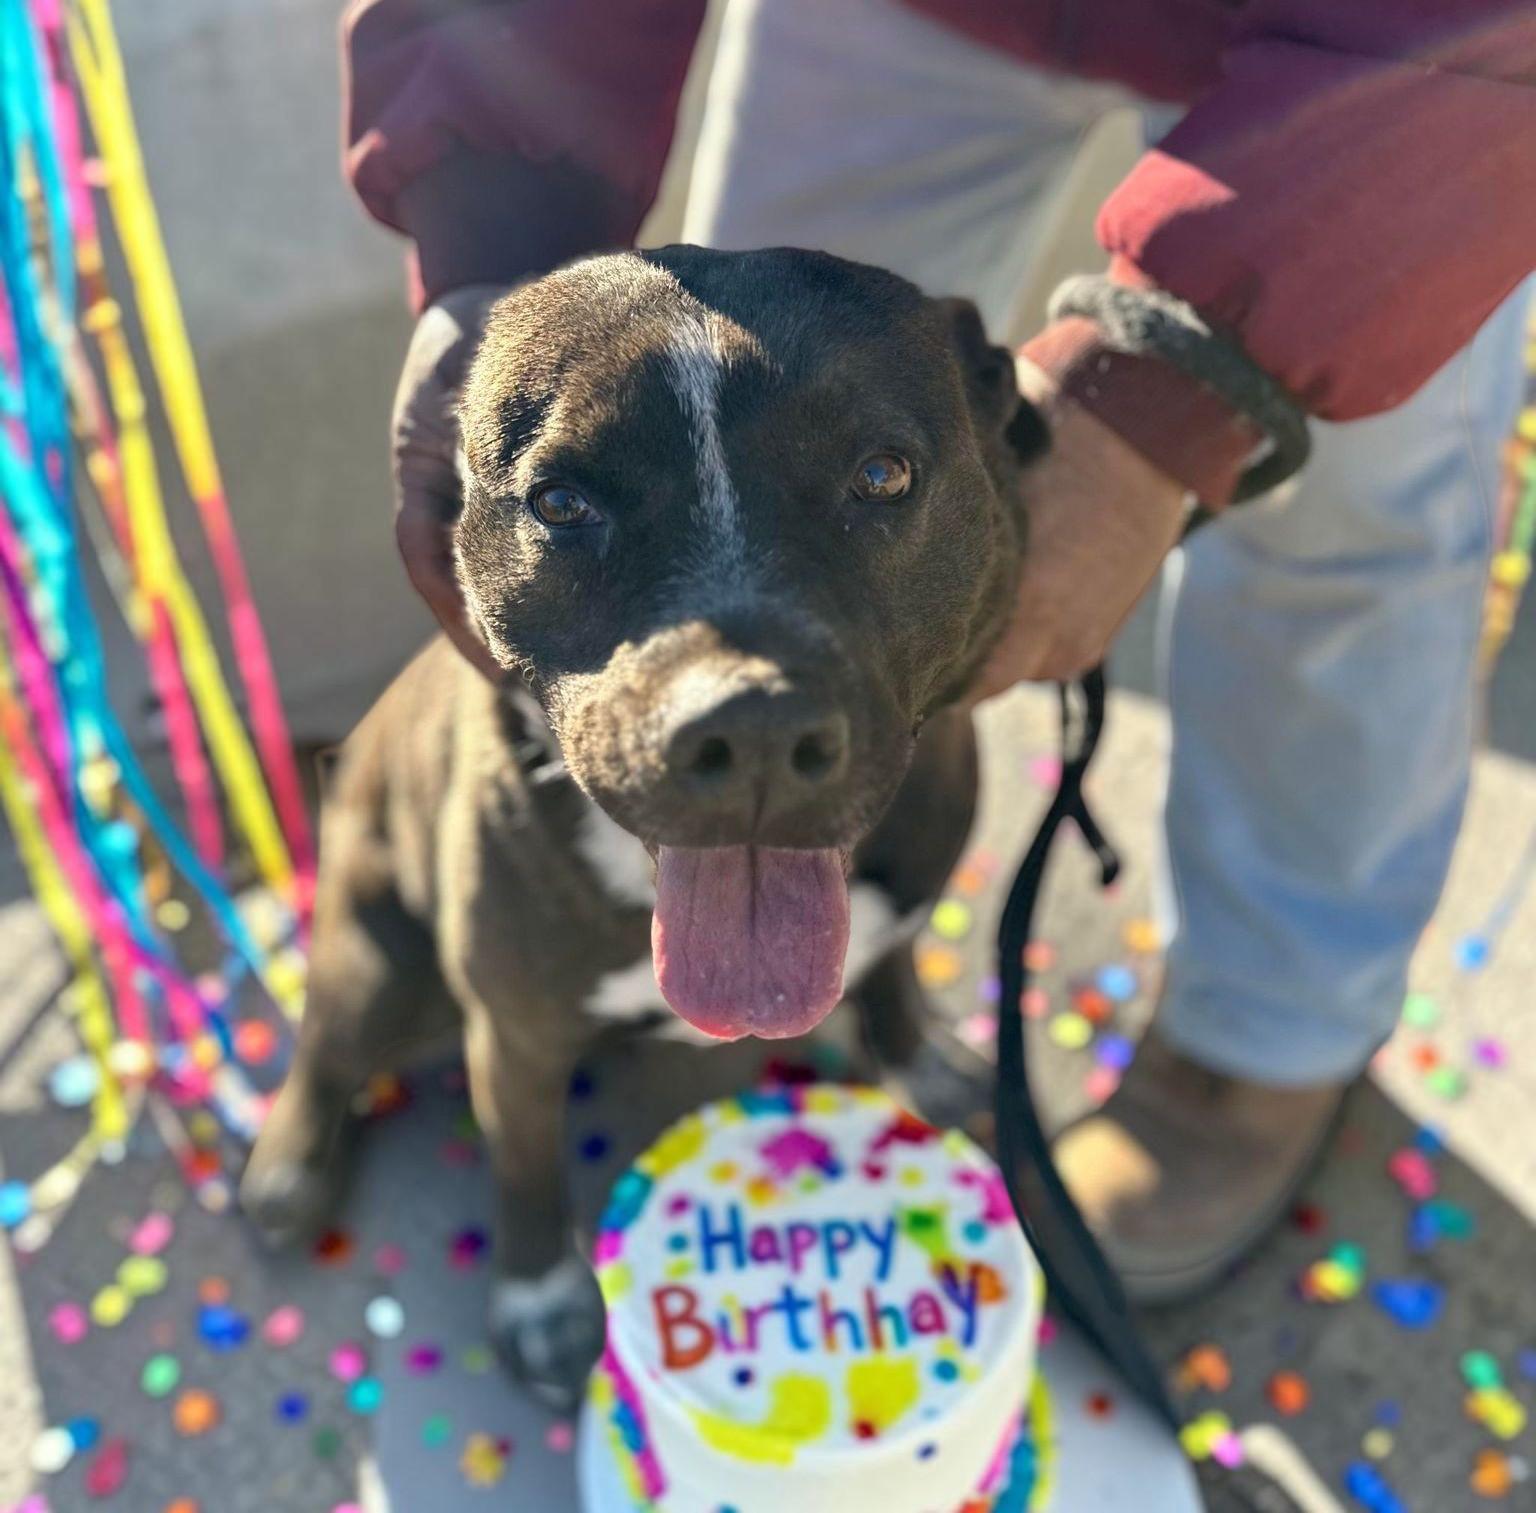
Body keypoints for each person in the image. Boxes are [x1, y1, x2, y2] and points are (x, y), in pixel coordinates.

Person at [341, 0, 1536, 1302]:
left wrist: (1173, 388)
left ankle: (1263, 1039)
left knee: (1350, 507)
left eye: (881, 475)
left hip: (1413, 37)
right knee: (762, 345)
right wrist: (492, 227)